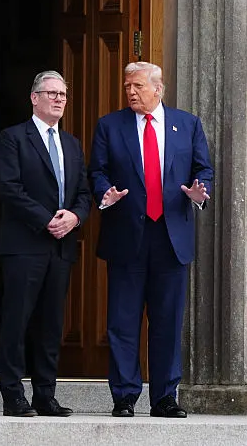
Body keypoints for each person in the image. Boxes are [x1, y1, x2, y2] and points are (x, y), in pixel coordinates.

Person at [90, 61, 213, 419]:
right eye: (127, 85)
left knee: (167, 322)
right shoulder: (109, 126)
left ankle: (164, 398)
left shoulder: (187, 124)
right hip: (127, 236)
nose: (131, 91)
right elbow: (97, 171)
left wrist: (199, 193)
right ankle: (125, 396)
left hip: (171, 237)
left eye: (138, 86)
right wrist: (104, 193)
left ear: (158, 89)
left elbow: (203, 170)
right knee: (123, 322)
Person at [0, 70, 92, 418]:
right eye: (51, 93)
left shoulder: (72, 144)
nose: (59, 99)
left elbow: (83, 192)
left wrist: (75, 218)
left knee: (52, 324)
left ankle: (45, 396)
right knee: (17, 321)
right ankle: (12, 396)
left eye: (63, 94)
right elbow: (9, 188)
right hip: (25, 245)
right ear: (34, 98)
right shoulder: (13, 138)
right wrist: (45, 218)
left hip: (61, 247)